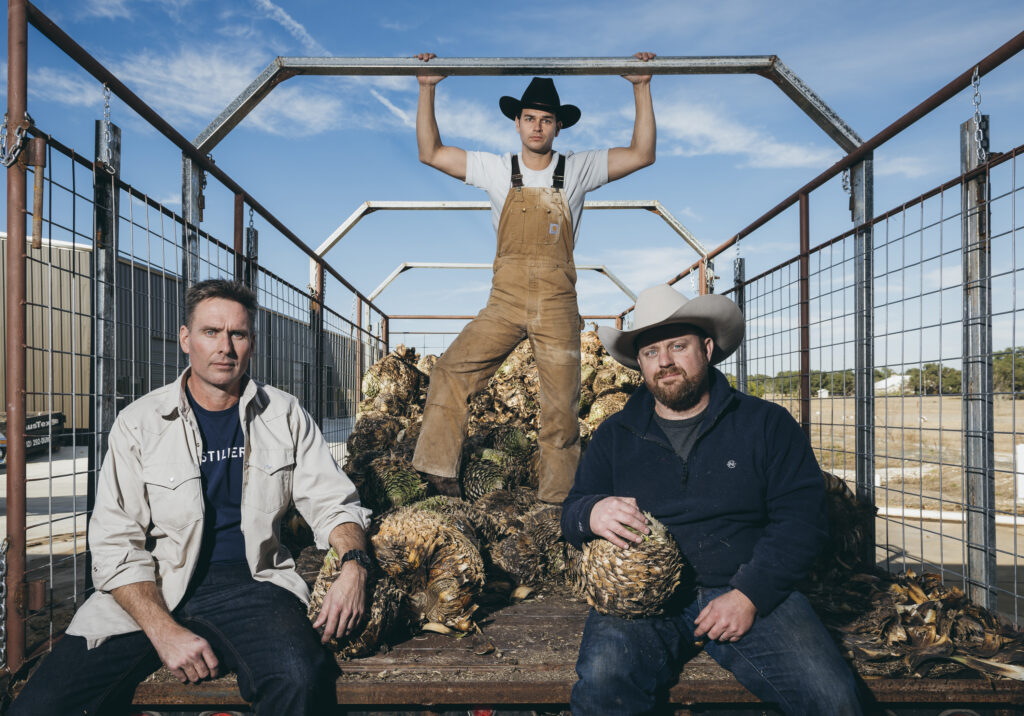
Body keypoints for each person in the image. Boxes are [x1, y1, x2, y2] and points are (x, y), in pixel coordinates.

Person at [10, 279, 373, 715]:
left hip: (253, 583)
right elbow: (114, 543)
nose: (225, 347)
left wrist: (355, 565)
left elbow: (334, 502)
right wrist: (163, 631)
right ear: (186, 339)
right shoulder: (139, 423)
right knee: (39, 706)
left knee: (299, 678)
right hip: (151, 585)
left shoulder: (284, 413)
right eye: (210, 332)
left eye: (237, 334)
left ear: (252, 343)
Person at [560, 283, 863, 715]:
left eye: (677, 346)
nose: (664, 361)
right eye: (650, 352)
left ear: (705, 348)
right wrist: (590, 512)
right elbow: (570, 514)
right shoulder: (614, 435)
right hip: (641, 601)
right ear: (640, 364)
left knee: (833, 700)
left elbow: (802, 520)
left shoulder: (766, 424)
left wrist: (750, 596)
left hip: (746, 587)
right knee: (603, 687)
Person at [411, 51, 658, 503]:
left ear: (558, 126)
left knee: (560, 412)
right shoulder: (495, 168)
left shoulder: (578, 169)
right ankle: (438, 475)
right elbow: (430, 152)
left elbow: (642, 154)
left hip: (558, 303)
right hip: (503, 301)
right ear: (518, 123)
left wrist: (641, 86)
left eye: (546, 119)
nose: (537, 126)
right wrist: (427, 87)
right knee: (449, 371)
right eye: (529, 118)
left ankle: (556, 505)